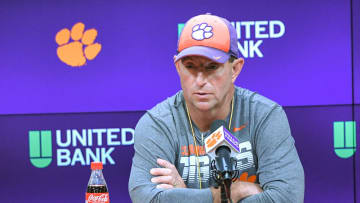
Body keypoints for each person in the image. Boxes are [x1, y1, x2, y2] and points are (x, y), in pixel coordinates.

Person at [128, 14, 304, 203]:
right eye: (190, 66)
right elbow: (147, 199)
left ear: (235, 69)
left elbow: (287, 198)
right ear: (178, 67)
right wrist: (228, 193)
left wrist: (184, 193)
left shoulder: (264, 115)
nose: (200, 80)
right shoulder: (158, 123)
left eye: (212, 67)